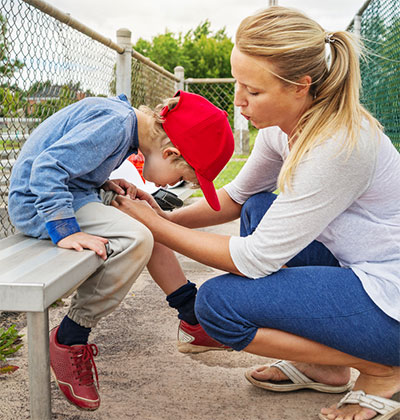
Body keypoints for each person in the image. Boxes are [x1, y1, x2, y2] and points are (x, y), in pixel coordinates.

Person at [111, 6, 400, 420]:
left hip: (390, 302)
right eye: (237, 84)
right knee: (261, 207)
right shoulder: (282, 128)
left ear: (300, 87)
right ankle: (326, 366)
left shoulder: (337, 144)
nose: (239, 102)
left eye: (254, 92)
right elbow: (236, 199)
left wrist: (155, 227)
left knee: (217, 305)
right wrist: (164, 217)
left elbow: (254, 259)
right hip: (361, 273)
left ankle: (383, 369)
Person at [8, 89, 234, 410]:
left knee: (147, 218)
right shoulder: (114, 124)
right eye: (183, 178)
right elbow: (47, 168)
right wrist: (65, 231)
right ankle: (70, 337)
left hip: (70, 195)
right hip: (41, 207)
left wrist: (103, 183)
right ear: (169, 153)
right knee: (137, 237)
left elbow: (74, 163)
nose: (173, 185)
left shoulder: (123, 123)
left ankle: (192, 318)